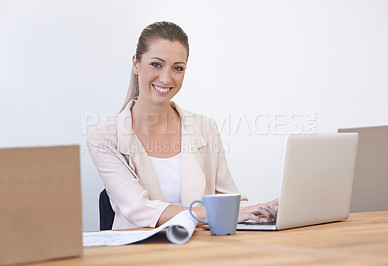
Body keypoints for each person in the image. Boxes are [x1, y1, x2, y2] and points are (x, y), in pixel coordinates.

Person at [87, 21, 278, 229]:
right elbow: (138, 209)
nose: (166, 78)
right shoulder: (103, 137)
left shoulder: (205, 128)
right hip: (140, 254)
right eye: (156, 64)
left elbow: (231, 202)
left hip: (201, 251)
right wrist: (217, 213)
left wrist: (262, 211)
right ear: (136, 63)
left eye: (177, 68)